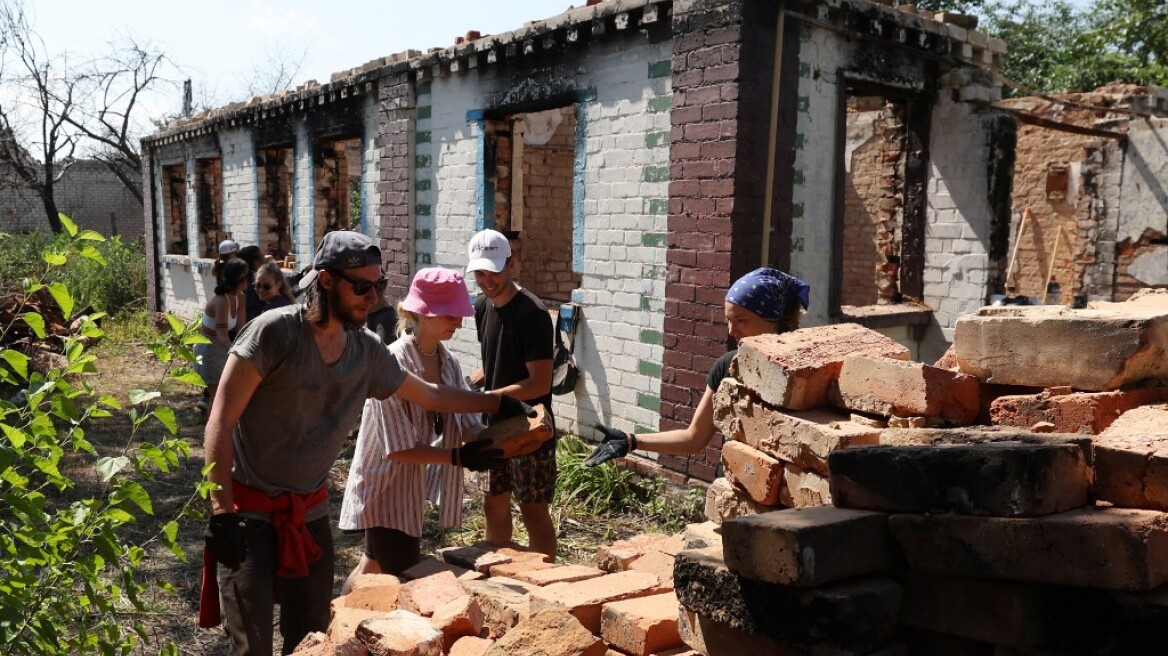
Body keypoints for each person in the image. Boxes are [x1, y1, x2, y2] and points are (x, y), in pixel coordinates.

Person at [200, 230, 529, 655]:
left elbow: (430, 395)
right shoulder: (273, 333)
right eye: (362, 286)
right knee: (252, 645)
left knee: (311, 638)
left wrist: (493, 402)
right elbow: (220, 422)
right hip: (248, 514)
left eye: (379, 286)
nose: (373, 298)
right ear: (325, 280)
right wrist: (222, 512)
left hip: (309, 512)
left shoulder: (366, 350)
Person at [338, 267, 493, 591]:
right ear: (422, 312)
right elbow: (398, 449)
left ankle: (335, 626)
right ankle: (345, 628)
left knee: (373, 565)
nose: (459, 323)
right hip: (383, 484)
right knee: (406, 575)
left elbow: (465, 424)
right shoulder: (392, 364)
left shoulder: (447, 362)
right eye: (451, 315)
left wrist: (503, 441)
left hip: (409, 483)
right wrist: (458, 458)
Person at [585, 267, 810, 467]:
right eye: (728, 320)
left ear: (773, 318)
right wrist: (631, 441)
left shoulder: (807, 372)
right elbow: (694, 438)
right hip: (737, 487)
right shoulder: (728, 366)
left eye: (741, 320)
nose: (731, 331)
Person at [464, 229, 557, 558]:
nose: (488, 281)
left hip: (529, 427)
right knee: (493, 503)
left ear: (512, 264)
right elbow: (494, 361)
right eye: (480, 273)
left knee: (533, 511)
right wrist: (467, 386)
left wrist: (488, 397)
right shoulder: (481, 307)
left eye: (495, 271)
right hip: (494, 426)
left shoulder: (532, 314)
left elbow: (539, 383)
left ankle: (546, 580)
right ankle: (501, 571)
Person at [195, 259, 249, 414]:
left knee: (229, 393)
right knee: (217, 395)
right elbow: (222, 337)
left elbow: (241, 329)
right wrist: (240, 354)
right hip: (209, 350)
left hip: (223, 348)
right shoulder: (221, 301)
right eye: (247, 277)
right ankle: (211, 432)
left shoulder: (240, 297)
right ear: (240, 280)